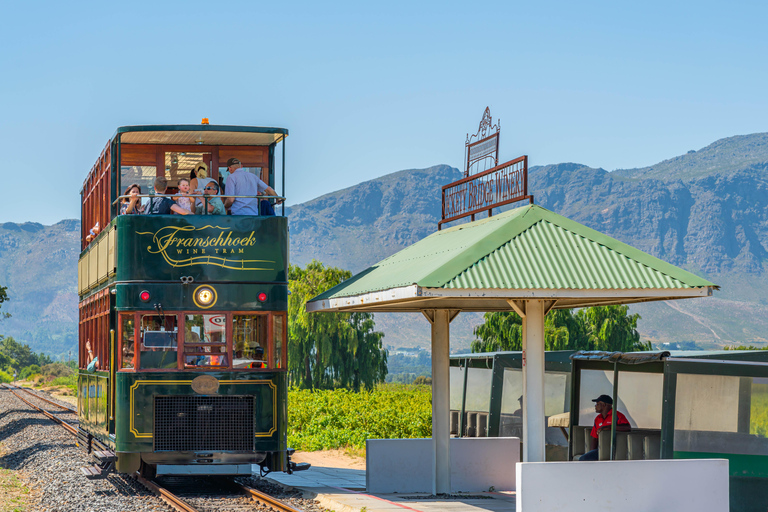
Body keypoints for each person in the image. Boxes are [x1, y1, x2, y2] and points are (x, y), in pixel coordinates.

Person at [579, 394, 630, 461]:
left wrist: (609, 427)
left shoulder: (617, 415)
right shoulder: (597, 419)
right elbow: (594, 438)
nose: (595, 406)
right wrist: (590, 453)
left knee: (583, 459)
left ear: (604, 405)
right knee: (585, 458)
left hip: (614, 449)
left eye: (597, 404)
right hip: (600, 449)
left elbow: (627, 428)